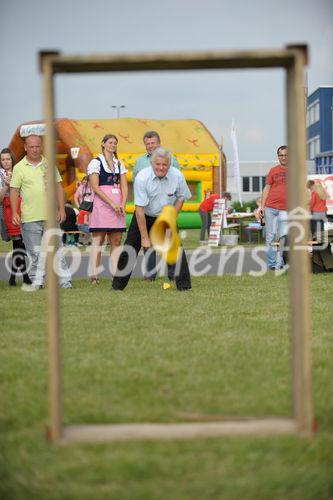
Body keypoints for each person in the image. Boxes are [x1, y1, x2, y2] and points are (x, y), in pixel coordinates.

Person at [112, 147, 192, 291]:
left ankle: (184, 286)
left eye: (165, 165)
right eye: (158, 164)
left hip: (164, 217)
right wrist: (144, 237)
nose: (161, 168)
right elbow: (140, 209)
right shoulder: (142, 177)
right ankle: (117, 286)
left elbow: (181, 197)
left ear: (169, 164)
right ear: (152, 163)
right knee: (130, 248)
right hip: (144, 215)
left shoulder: (178, 176)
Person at [10, 134, 72, 289]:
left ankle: (65, 283)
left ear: (41, 146)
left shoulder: (49, 164)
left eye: (37, 146)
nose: (35, 149)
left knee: (57, 250)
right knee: (35, 253)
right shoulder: (19, 168)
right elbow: (14, 191)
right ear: (25, 148)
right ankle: (37, 282)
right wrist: (14, 213)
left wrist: (62, 208)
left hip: (51, 217)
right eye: (31, 147)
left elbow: (58, 186)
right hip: (29, 218)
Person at [133, 130, 181, 281]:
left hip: (166, 208)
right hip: (147, 209)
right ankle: (150, 274)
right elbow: (136, 182)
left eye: (153, 143)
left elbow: (178, 182)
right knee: (148, 243)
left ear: (159, 143)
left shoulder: (171, 159)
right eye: (147, 144)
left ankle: (173, 275)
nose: (150, 146)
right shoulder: (140, 162)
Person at [87, 133, 128, 284]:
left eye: (115, 143)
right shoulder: (95, 162)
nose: (112, 145)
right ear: (103, 144)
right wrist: (112, 203)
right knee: (99, 240)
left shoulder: (119, 164)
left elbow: (124, 186)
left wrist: (122, 204)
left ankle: (115, 275)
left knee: (116, 240)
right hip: (103, 205)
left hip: (117, 206)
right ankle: (94, 276)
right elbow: (95, 187)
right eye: (110, 142)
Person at [0, 148, 31, 286]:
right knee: (18, 243)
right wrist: (6, 185)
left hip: (22, 208)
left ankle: (14, 277)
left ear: (12, 159)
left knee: (19, 244)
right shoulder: (0, 175)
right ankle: (24, 277)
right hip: (8, 210)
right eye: (3, 159)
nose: (6, 162)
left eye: (8, 159)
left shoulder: (19, 171)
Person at [258, 145, 288, 270]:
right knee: (270, 236)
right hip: (270, 208)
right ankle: (271, 264)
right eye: (281, 155)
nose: (283, 157)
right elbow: (267, 188)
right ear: (278, 156)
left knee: (283, 236)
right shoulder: (273, 170)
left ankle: (279, 263)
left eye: (286, 155)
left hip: (286, 209)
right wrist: (262, 207)